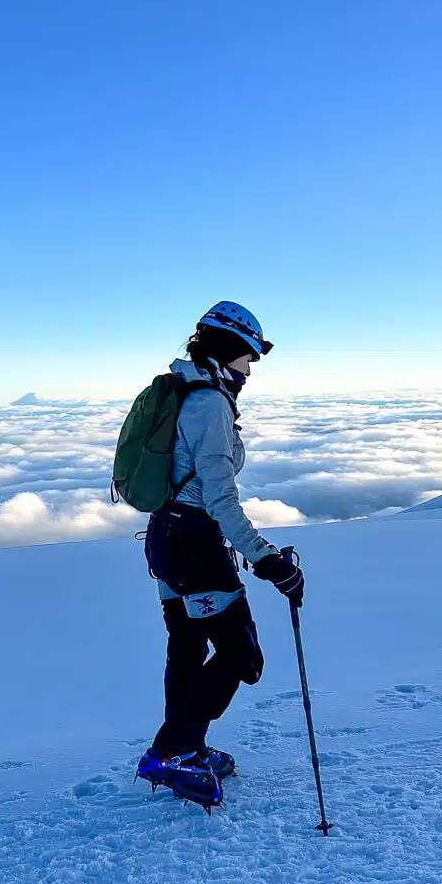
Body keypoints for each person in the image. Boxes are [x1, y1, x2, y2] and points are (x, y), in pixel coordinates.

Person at [136, 301, 305, 808]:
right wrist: (267, 559)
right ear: (228, 349)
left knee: (186, 649)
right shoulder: (208, 403)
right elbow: (219, 497)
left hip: (165, 539)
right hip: (195, 542)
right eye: (248, 357)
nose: (250, 369)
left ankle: (188, 749)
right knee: (240, 656)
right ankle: (172, 751)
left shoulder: (183, 390)